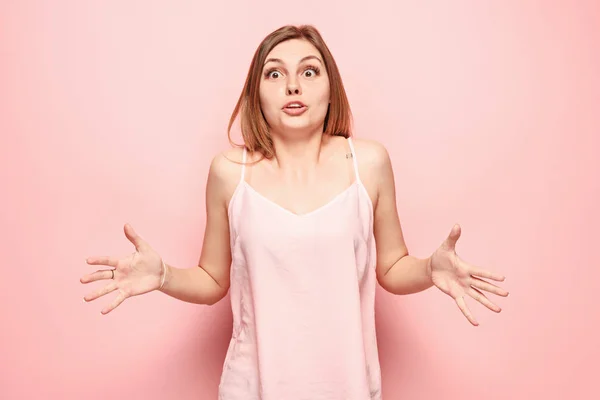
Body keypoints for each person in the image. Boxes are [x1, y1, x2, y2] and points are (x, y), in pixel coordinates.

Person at [81, 24, 508, 400]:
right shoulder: (231, 173)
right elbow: (213, 278)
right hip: (252, 388)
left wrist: (431, 269)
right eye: (274, 73)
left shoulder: (369, 163)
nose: (293, 86)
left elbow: (393, 266)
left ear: (329, 88)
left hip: (350, 388)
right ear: (257, 93)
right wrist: (163, 277)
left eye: (309, 71)